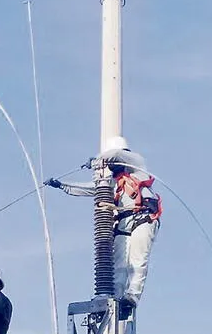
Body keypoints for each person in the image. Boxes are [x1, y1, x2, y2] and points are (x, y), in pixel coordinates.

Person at [44, 136, 162, 326]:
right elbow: (89, 189)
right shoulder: (114, 183)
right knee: (119, 264)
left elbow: (118, 156)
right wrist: (61, 185)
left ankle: (132, 296)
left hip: (144, 218)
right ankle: (115, 300)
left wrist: (102, 159)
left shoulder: (137, 168)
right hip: (124, 222)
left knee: (137, 260)